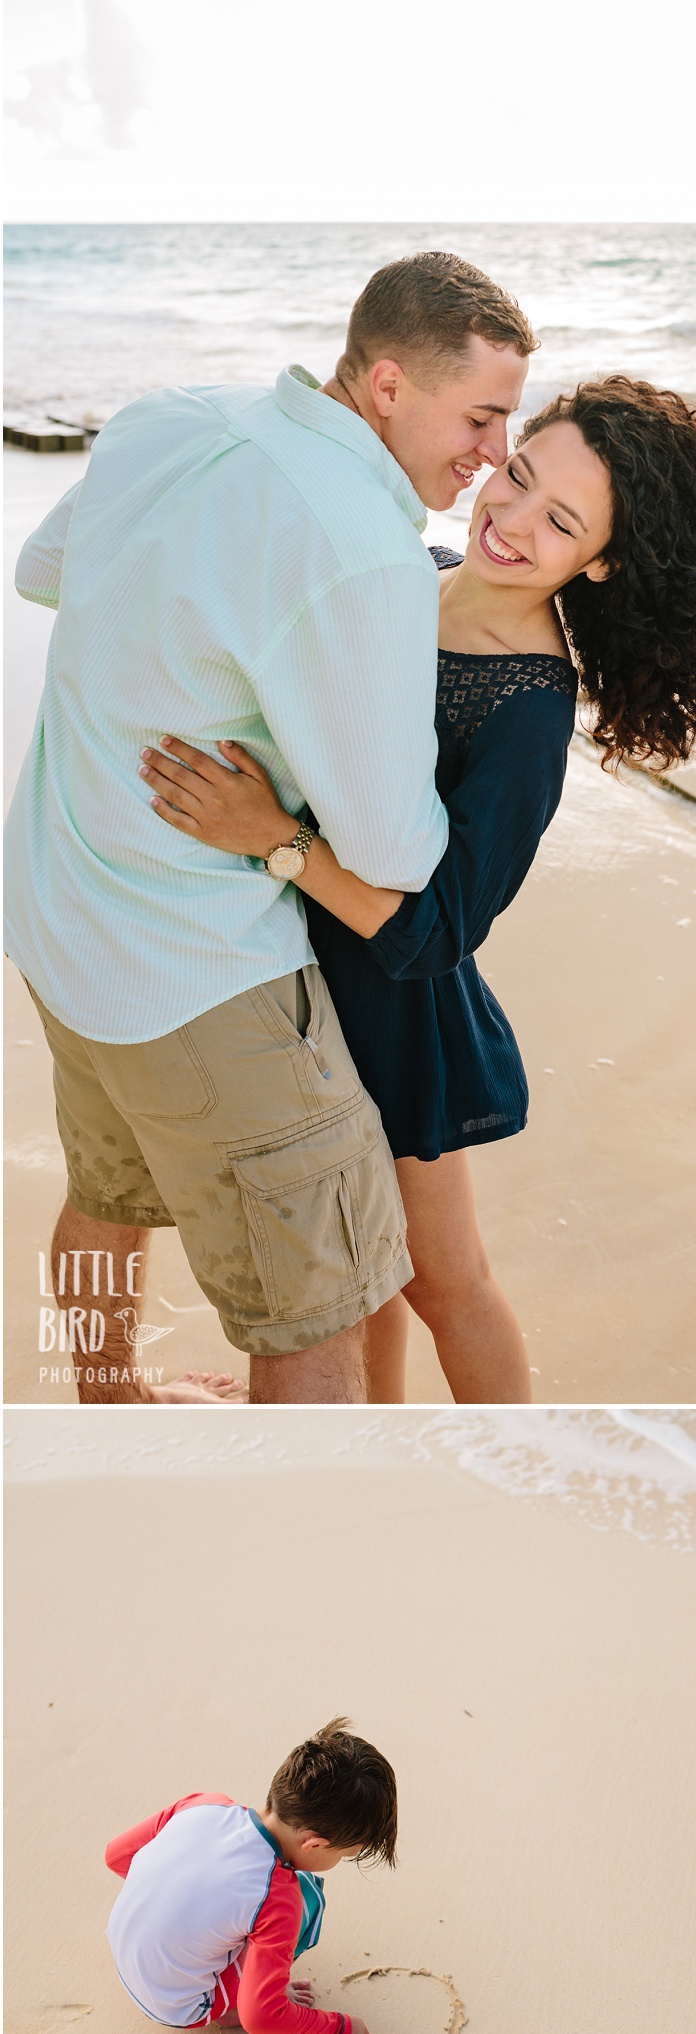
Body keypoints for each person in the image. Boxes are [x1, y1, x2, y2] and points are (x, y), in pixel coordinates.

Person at [140, 379, 696, 1402]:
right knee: (363, 1278)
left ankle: (516, 1474)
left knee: (444, 1281)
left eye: (559, 521)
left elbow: (441, 930)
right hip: (294, 978)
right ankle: (372, 1444)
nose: (511, 520)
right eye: (517, 477)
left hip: (396, 1018)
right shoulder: (409, 571)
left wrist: (274, 839)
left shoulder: (526, 708)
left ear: (598, 562)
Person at [5, 252, 535, 1402]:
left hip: (55, 914)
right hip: (196, 967)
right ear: (389, 386)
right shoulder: (366, 551)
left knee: (103, 1201)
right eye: (484, 416)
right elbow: (395, 857)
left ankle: (111, 1408)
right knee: (319, 1319)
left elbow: (42, 568)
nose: (493, 453)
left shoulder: (169, 416)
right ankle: (314, 1546)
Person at [104, 1717, 395, 2034]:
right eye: (345, 1855)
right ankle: (228, 2009)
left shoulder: (204, 1804)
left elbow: (116, 1855)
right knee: (309, 1897)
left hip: (120, 1946)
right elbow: (262, 2019)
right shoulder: (278, 1896)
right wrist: (341, 2031)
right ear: (314, 1845)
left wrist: (179, 1901)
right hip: (177, 2005)